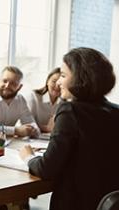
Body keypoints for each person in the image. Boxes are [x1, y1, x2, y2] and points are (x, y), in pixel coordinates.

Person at [19, 47, 119, 210]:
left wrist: (28, 157)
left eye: (63, 75)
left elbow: (46, 169)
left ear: (81, 79)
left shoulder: (70, 110)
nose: (58, 81)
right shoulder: (116, 111)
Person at [0, 66, 40, 138]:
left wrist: (34, 129)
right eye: (5, 81)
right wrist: (15, 131)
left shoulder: (20, 100)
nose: (7, 86)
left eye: (13, 83)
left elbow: (29, 121)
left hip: (8, 143)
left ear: (19, 87)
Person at [25, 67, 61, 133]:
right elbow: (27, 124)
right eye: (54, 81)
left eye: (60, 83)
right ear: (47, 81)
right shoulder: (33, 97)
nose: (57, 86)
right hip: (32, 137)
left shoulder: (65, 102)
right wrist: (46, 129)